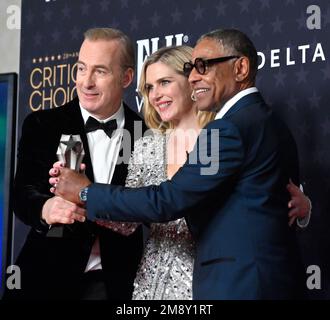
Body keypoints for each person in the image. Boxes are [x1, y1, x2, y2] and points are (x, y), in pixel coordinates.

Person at [54, 29, 307, 299]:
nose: (155, 95)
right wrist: (77, 203)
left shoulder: (224, 131)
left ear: (240, 68)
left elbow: (170, 199)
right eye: (149, 87)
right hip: (162, 280)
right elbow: (132, 219)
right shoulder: (149, 144)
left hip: (222, 279)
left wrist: (86, 192)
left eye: (165, 82)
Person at [4, 28, 146, 300]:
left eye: (100, 71)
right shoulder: (44, 124)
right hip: (45, 278)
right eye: (81, 69)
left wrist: (92, 197)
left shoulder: (145, 134)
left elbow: (149, 207)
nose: (86, 82)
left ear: (126, 77)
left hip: (114, 283)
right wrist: (46, 207)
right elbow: (22, 193)